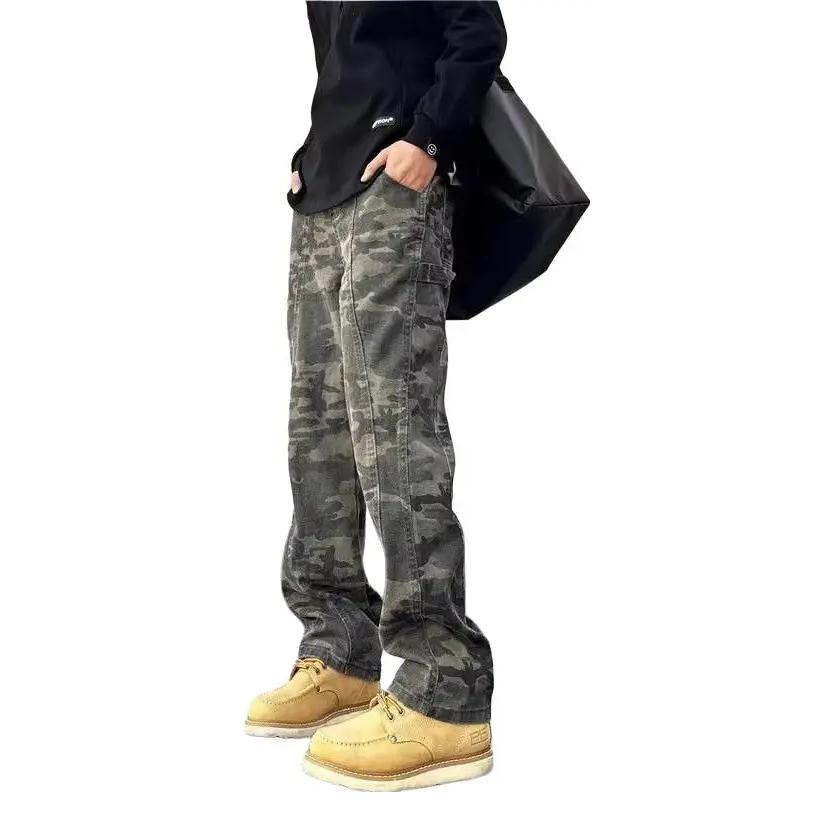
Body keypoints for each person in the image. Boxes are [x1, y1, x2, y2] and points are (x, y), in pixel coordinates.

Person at [246, 1, 507, 791]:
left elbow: (477, 31)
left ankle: (445, 691)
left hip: (396, 192)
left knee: (394, 428)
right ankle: (340, 655)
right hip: (326, 192)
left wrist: (427, 139)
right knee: (319, 435)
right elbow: (352, 59)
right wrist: (313, 151)